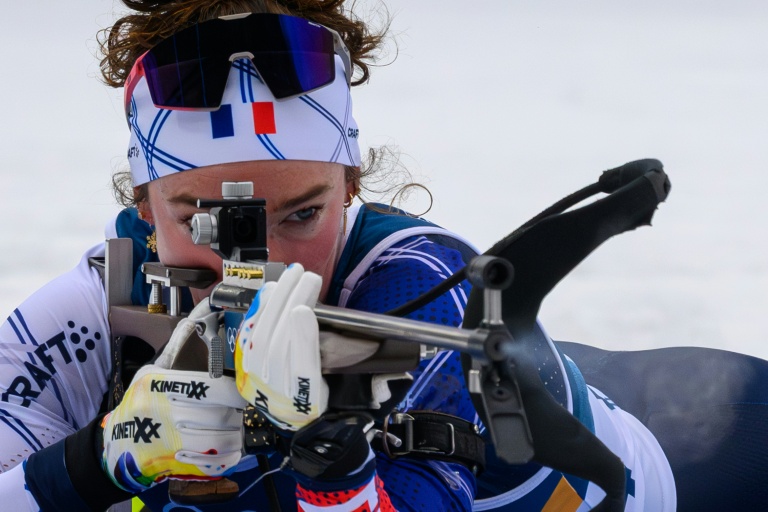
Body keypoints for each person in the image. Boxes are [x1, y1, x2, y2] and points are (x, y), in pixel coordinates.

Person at [0, 1, 683, 511]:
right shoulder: (91, 313)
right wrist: (97, 458)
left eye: (302, 214)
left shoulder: (419, 288)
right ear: (143, 206)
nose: (262, 263)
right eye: (209, 221)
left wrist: (333, 461)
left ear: (351, 188)